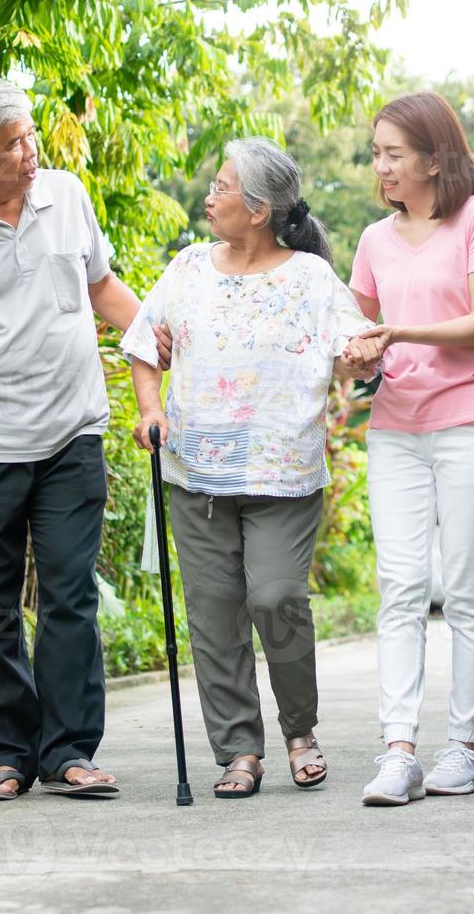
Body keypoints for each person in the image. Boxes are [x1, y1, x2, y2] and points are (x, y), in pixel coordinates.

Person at [0, 75, 167, 801]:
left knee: (71, 595)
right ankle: (8, 754)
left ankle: (70, 751)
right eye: (15, 143)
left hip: (73, 433)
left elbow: (100, 287)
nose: (32, 150)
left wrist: (156, 335)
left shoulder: (67, 196)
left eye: (31, 134)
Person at [123, 137, 373, 799]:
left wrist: (360, 357)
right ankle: (239, 750)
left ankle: (300, 729)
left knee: (275, 598)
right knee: (214, 614)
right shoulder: (188, 268)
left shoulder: (312, 279)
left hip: (282, 473)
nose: (210, 196)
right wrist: (149, 408)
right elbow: (144, 343)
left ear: (259, 210)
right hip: (195, 474)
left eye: (223, 187)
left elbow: (354, 346)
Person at [346, 93, 474, 806]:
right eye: (377, 152)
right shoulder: (372, 240)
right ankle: (399, 751)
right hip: (396, 431)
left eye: (393, 153)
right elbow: (355, 339)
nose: (380, 166)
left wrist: (399, 332)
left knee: (467, 590)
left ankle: (465, 749)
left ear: (433, 158)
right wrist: (353, 359)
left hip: (471, 423)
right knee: (403, 589)